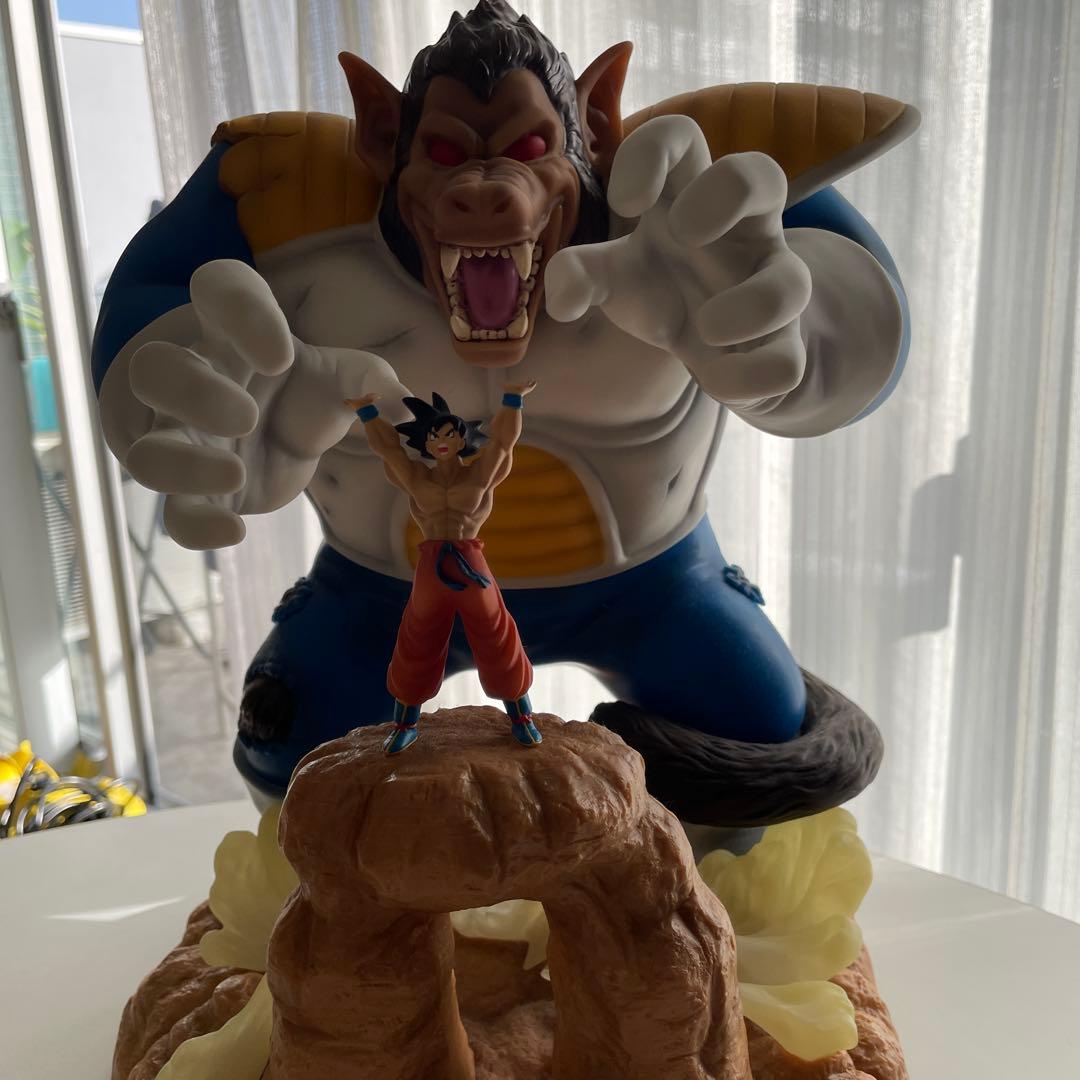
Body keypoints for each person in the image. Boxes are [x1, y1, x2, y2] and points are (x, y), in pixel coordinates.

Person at [345, 383, 541, 753]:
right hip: (432, 562)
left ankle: (521, 716)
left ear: (462, 438)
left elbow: (503, 443)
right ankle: (405, 723)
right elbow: (388, 449)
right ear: (426, 444)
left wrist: (512, 399)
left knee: (496, 632)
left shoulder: (479, 474)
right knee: (418, 635)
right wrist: (366, 412)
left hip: (470, 560)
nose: (442, 441)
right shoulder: (417, 477)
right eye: (435, 436)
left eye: (450, 433)